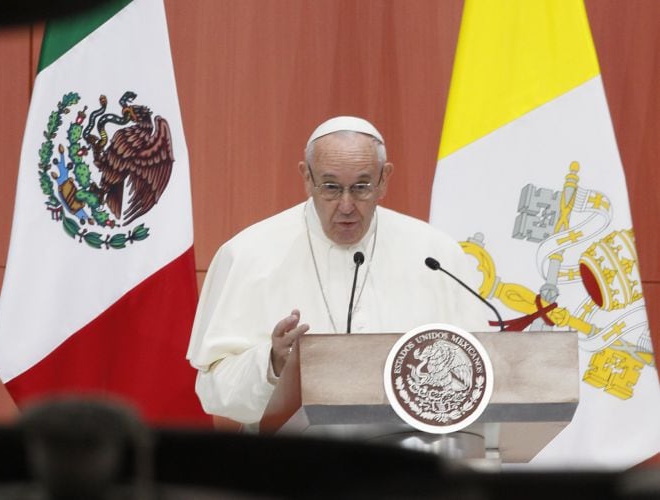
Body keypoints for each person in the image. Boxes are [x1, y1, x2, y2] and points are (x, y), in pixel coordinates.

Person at [186, 116, 489, 426]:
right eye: (330, 187)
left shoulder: (436, 253)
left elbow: (482, 371)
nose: (346, 205)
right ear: (306, 177)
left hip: (409, 461)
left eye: (361, 187)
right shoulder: (247, 254)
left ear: (384, 179)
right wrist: (272, 362)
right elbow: (212, 390)